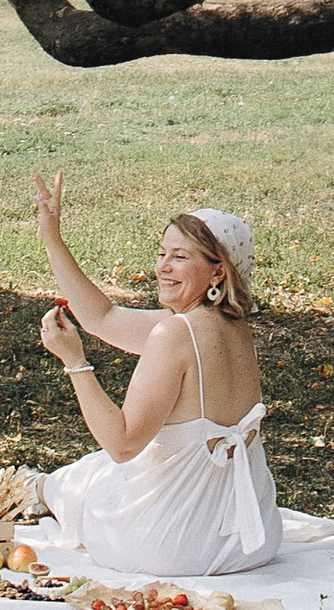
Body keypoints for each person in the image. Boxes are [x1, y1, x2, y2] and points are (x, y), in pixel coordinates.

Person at [31, 172, 283, 573]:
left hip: (171, 545)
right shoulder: (234, 327)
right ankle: (39, 489)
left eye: (180, 257)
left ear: (218, 272)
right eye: (162, 253)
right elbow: (102, 316)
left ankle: (35, 490)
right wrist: (51, 236)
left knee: (94, 472)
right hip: (250, 540)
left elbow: (123, 444)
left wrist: (74, 361)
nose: (163, 267)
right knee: (90, 472)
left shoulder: (173, 334)